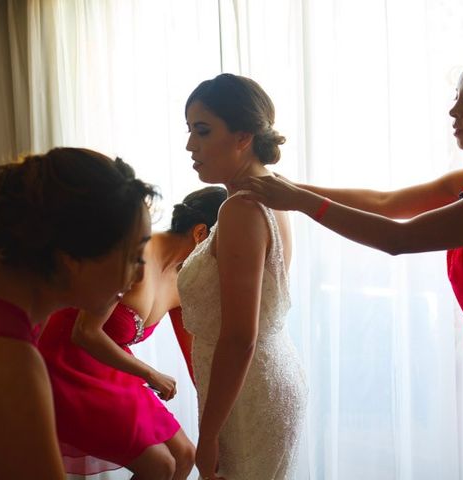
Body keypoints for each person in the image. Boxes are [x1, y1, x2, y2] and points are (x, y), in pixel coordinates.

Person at [236, 42, 463, 480]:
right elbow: (386, 202)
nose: (454, 111)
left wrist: (299, 201)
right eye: (456, 97)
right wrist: (284, 186)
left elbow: (399, 238)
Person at [0, 147, 155, 480]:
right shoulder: (6, 358)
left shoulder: (3, 276)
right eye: (134, 257)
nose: (138, 276)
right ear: (71, 258)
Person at [37, 186, 226, 480]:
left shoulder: (184, 282)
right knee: (160, 465)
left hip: (111, 366)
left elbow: (193, 361)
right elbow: (85, 332)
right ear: (201, 233)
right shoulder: (135, 253)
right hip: (66, 362)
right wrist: (150, 374)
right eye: (223, 251)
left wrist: (217, 425)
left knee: (185, 456)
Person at [178, 73, 308, 480]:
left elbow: (239, 336)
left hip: (248, 390)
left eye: (202, 131)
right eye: (189, 131)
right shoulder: (274, 192)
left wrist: (208, 434)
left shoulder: (240, 210)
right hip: (268, 374)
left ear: (243, 136)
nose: (190, 146)